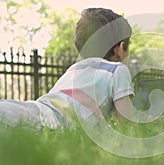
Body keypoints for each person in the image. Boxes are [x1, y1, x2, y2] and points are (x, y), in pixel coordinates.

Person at [0, 8, 135, 129]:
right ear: (121, 47)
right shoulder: (117, 69)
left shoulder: (74, 70)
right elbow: (128, 123)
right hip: (49, 124)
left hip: (33, 110)